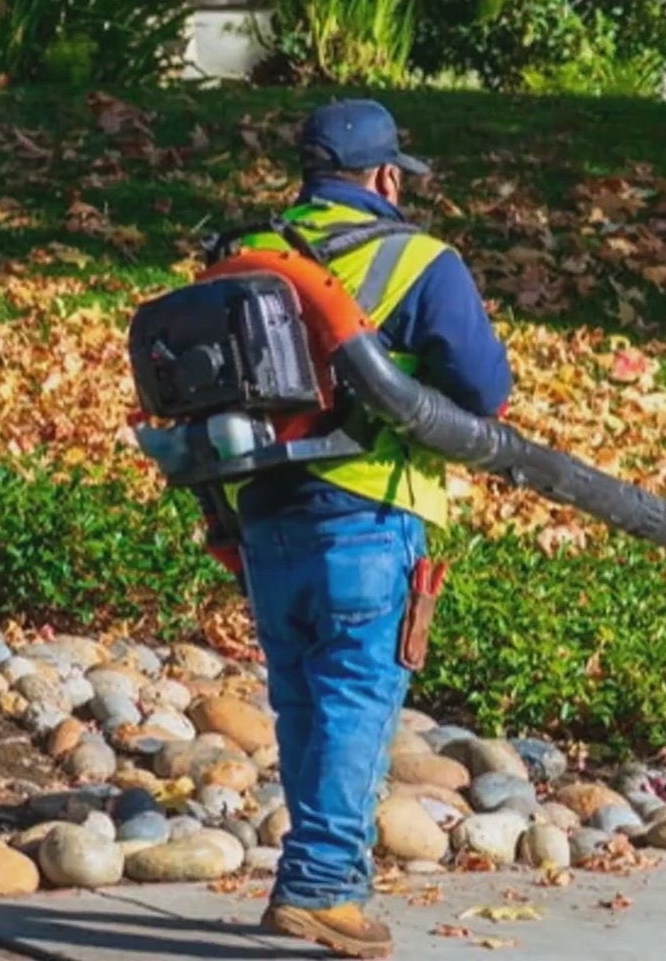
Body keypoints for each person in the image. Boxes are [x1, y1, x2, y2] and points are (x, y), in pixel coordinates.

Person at [204, 99, 512, 958]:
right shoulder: (421, 259)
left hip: (261, 514)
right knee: (354, 700)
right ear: (385, 178)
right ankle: (317, 885)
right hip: (368, 513)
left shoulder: (245, 257)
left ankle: (324, 880)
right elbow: (484, 391)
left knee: (303, 702)